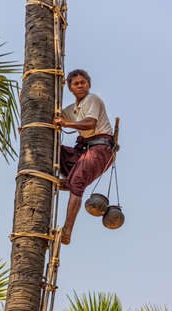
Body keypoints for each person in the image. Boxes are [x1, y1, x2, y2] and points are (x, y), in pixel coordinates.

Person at [54, 69, 114, 245]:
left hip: (101, 149)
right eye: (76, 84)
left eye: (83, 82)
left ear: (89, 85)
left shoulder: (92, 99)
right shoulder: (72, 109)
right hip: (85, 151)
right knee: (56, 151)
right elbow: (53, 115)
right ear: (70, 88)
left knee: (78, 183)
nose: (80, 85)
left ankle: (67, 231)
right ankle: (68, 182)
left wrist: (65, 123)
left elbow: (90, 123)